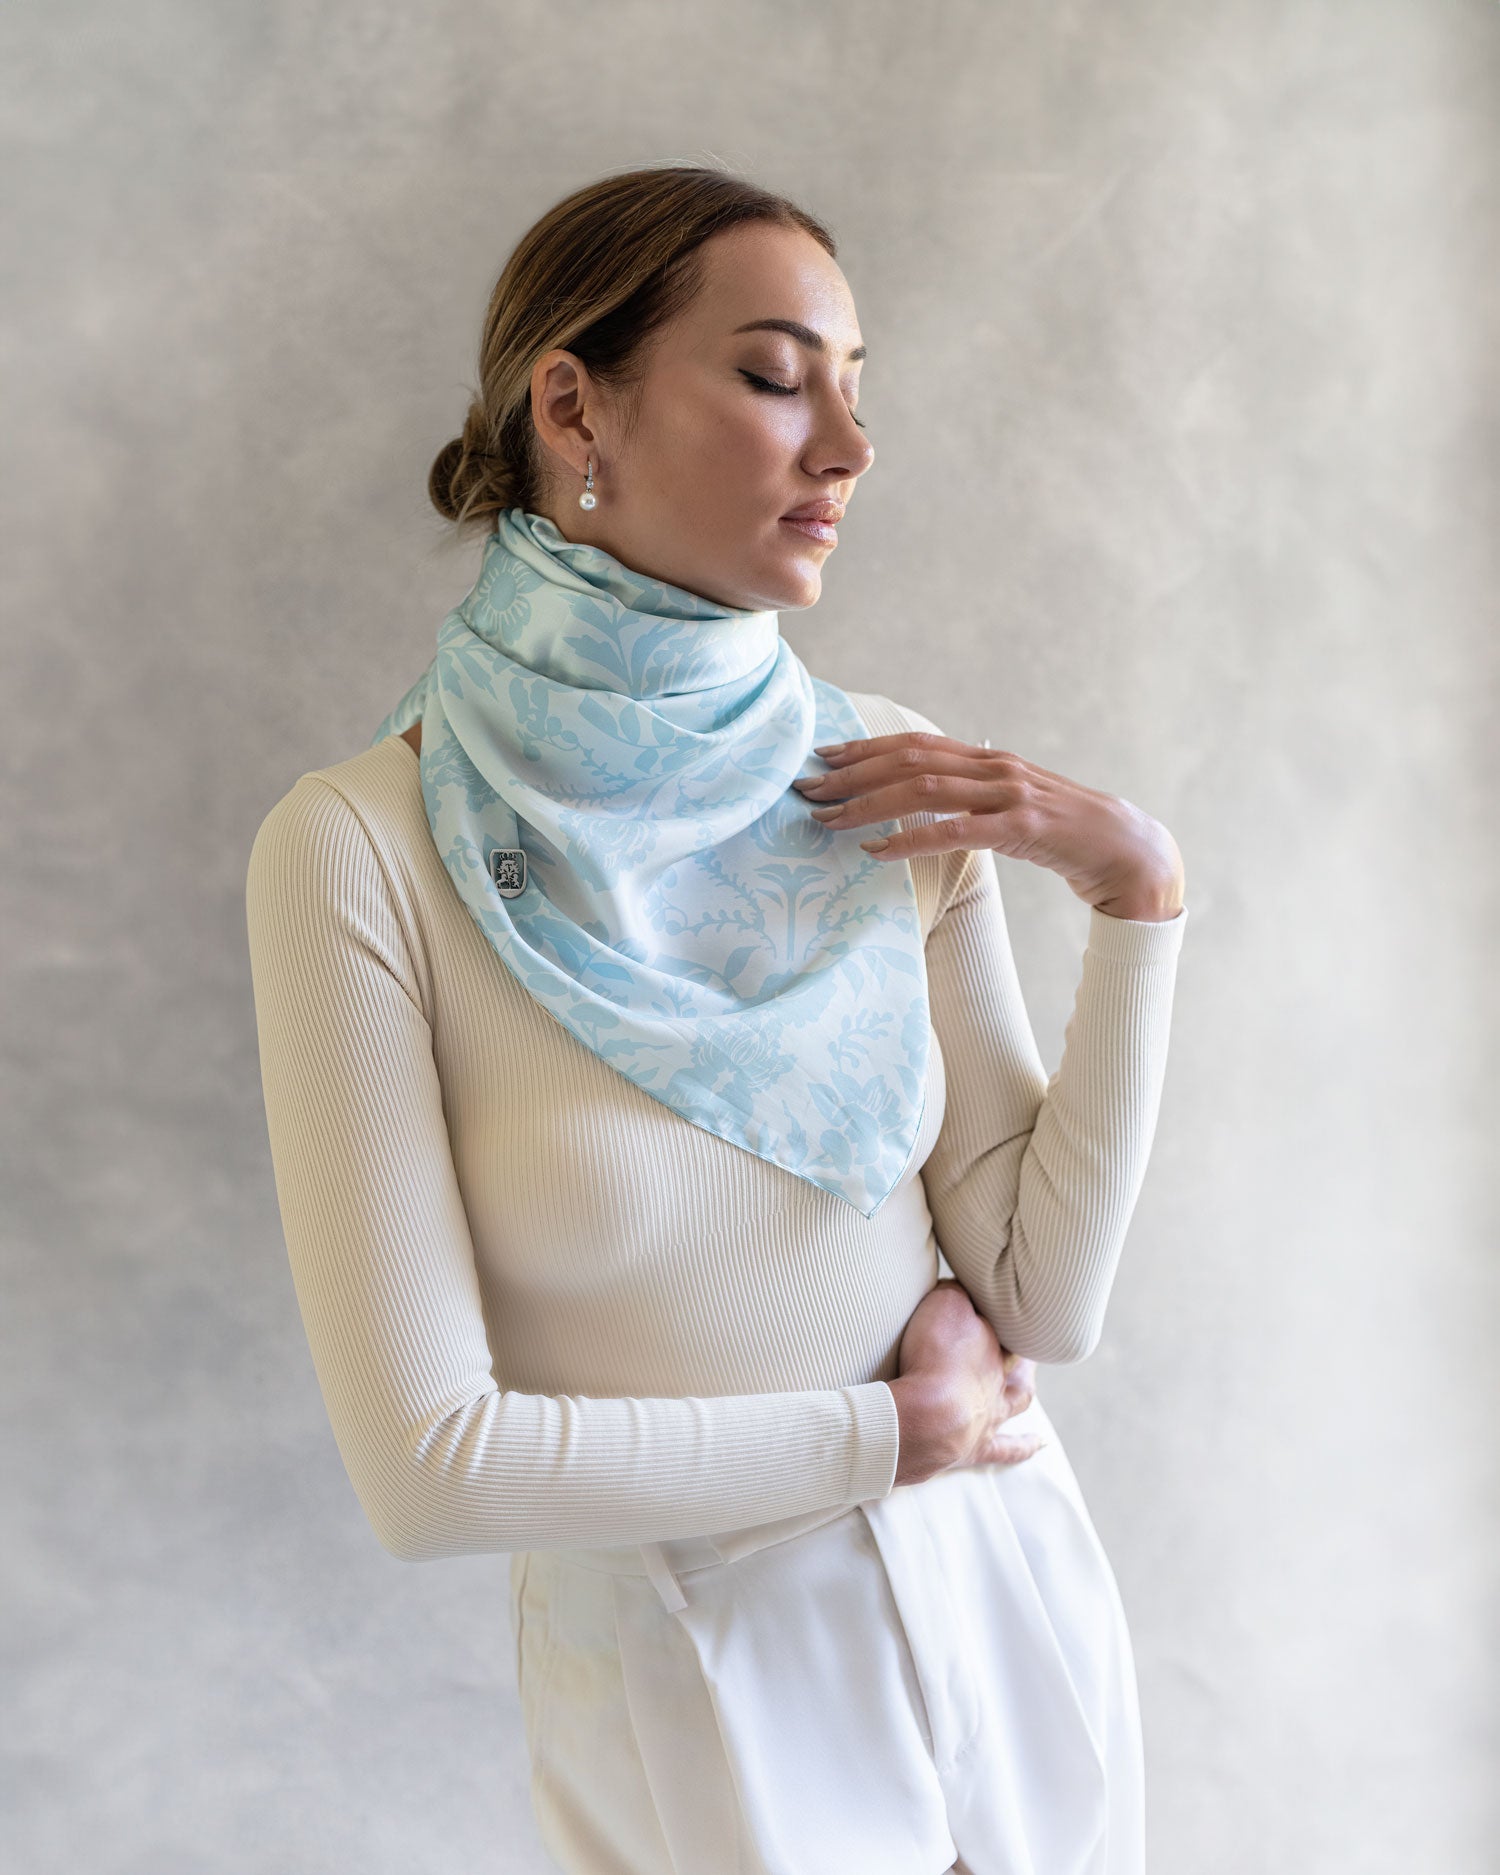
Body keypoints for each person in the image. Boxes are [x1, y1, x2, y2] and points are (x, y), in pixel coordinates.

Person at [244, 163, 1189, 1875]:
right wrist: (882, 1436)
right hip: (704, 1686)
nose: (847, 445)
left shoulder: (879, 775)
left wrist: (1138, 899)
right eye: (773, 376)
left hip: (1004, 1594)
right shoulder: (361, 851)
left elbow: (1045, 1293)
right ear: (571, 403)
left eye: (853, 384)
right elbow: (434, 1469)